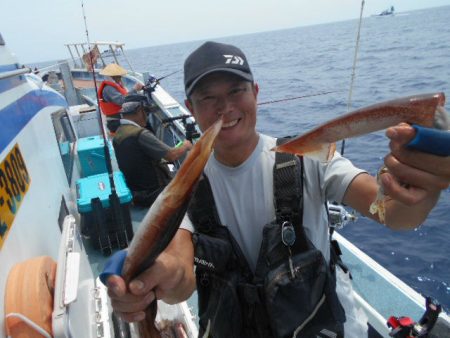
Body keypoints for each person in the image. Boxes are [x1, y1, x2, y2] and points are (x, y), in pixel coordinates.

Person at [105, 41, 450, 337]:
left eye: (236, 91)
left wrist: (422, 187)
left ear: (255, 93)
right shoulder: (187, 186)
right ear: (191, 108)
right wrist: (152, 278)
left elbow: (391, 212)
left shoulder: (310, 157)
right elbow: (180, 273)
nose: (225, 107)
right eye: (208, 98)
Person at [112, 94, 193, 207]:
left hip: (137, 192)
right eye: (146, 112)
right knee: (194, 186)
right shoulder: (140, 134)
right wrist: (185, 145)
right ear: (139, 111)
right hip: (154, 194)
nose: (147, 116)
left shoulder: (119, 133)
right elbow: (172, 155)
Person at [98, 63, 144, 132]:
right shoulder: (109, 89)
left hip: (121, 116)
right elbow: (121, 101)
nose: (120, 77)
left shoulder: (115, 85)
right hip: (115, 121)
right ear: (112, 76)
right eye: (118, 76)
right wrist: (134, 89)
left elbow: (126, 97)